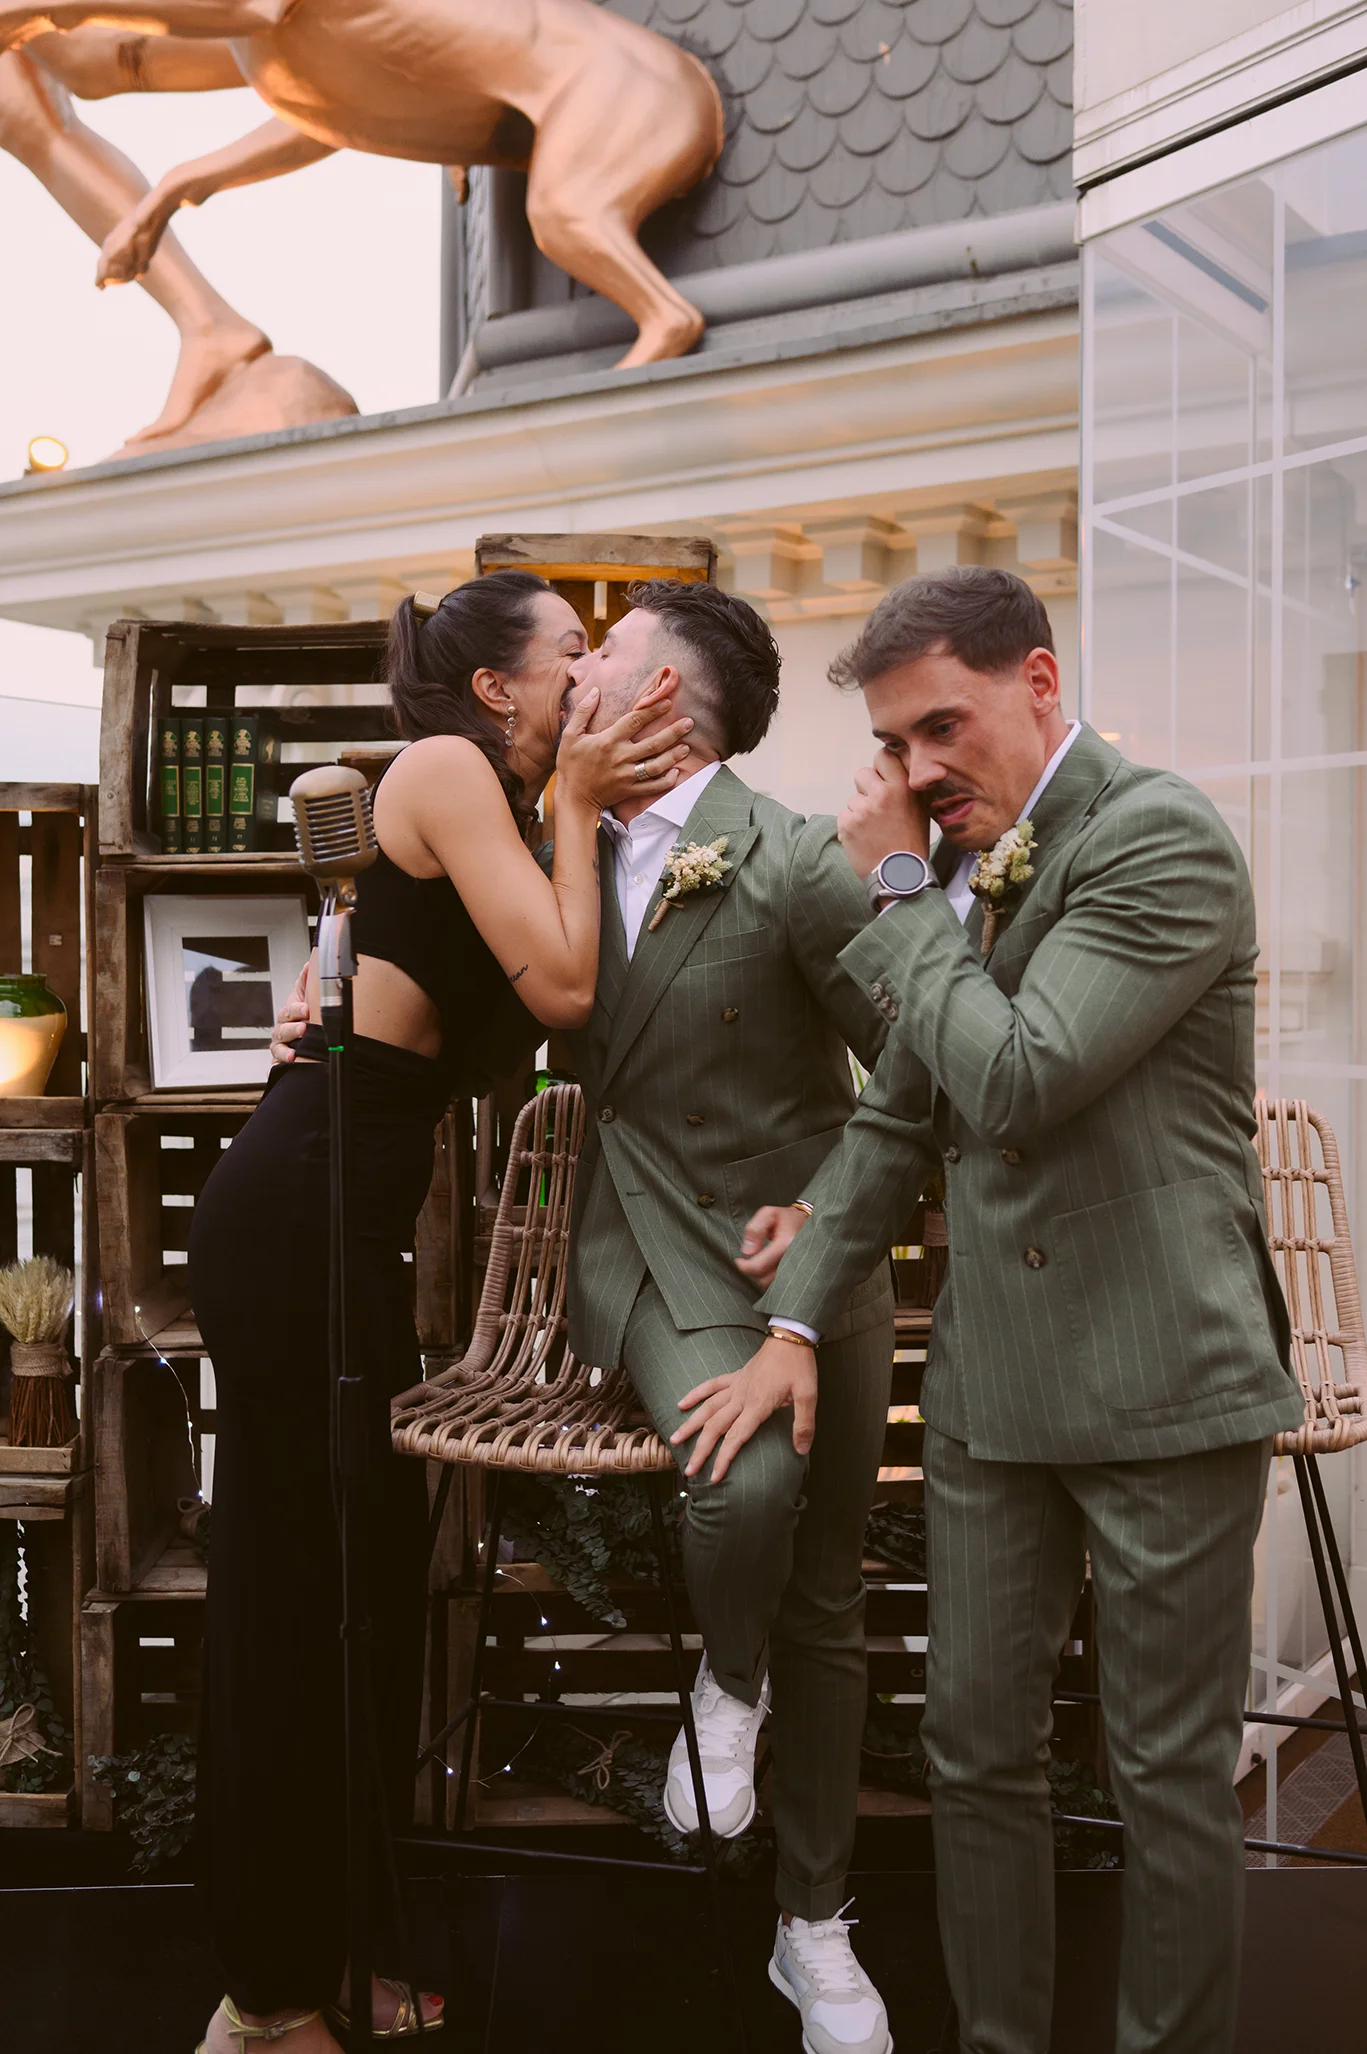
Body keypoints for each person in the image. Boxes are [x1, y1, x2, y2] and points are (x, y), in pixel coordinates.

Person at [719, 566, 1303, 2054]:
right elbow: (894, 1121)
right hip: (988, 1394)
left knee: (1164, 1771)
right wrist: (793, 1322)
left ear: (1038, 683)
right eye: (894, 744)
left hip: (1165, 1374)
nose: (917, 771)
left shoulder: (1160, 837)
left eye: (942, 727)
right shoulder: (963, 871)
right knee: (973, 1751)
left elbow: (1018, 1076)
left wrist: (900, 891)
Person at [188, 570, 692, 2054]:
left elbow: (508, 1020)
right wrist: (580, 805)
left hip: (338, 1224)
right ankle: (265, 1996)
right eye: (570, 653)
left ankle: (328, 1953)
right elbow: (564, 990)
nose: (588, 674)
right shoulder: (452, 770)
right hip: (297, 1219)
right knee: (297, 1597)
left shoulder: (500, 810)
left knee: (361, 1596)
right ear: (495, 685)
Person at [558, 581, 897, 2054]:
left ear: (662, 699)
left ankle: (813, 1928)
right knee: (743, 1480)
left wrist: (824, 1220)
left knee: (827, 1594)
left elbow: (915, 1066)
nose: (577, 673)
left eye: (604, 655)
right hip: (645, 1241)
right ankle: (728, 1681)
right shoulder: (553, 839)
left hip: (803, 1255)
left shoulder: (796, 860)